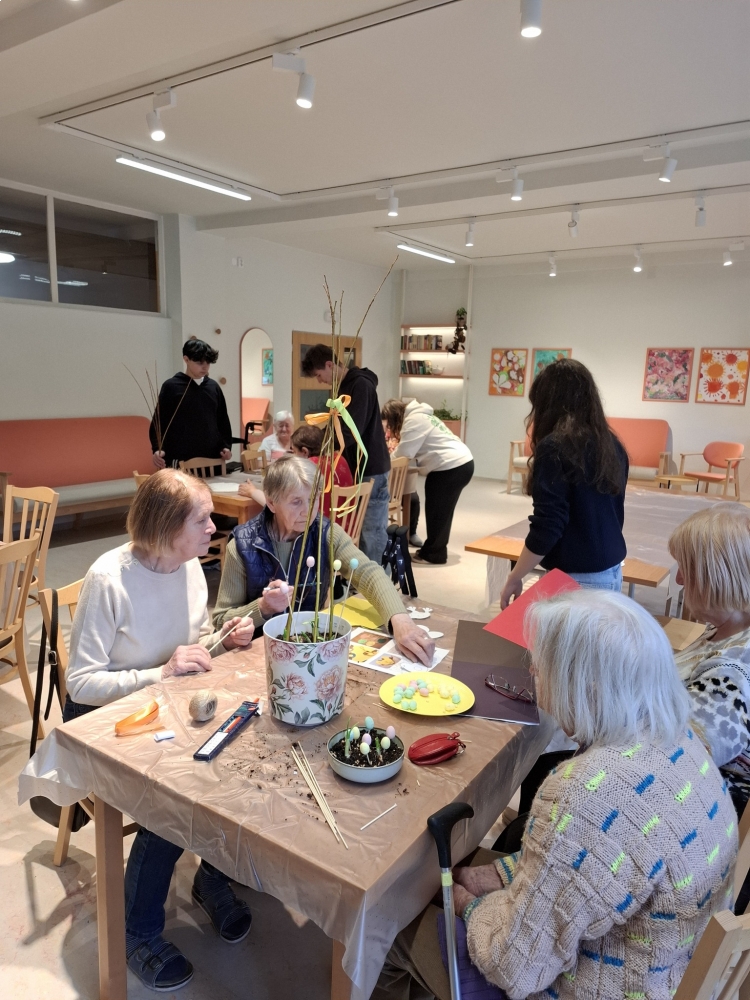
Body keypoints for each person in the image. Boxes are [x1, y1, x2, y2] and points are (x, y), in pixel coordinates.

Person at [373, 590, 737, 1000]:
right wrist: (494, 875)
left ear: (587, 687)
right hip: (666, 969)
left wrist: (464, 902)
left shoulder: (587, 793)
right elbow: (587, 868)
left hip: (596, 985)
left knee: (386, 922)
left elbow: (510, 965)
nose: (532, 671)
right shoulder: (681, 740)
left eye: (543, 665)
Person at [65, 470, 255, 992]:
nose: (213, 527)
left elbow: (189, 644)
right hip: (105, 718)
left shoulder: (189, 565)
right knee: (175, 798)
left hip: (163, 703)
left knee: (238, 754)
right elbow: (80, 683)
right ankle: (137, 930)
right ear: (169, 528)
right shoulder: (109, 578)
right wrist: (161, 673)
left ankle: (211, 876)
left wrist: (221, 641)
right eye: (202, 519)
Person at [214, 455, 435, 666]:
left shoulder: (324, 532)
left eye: (314, 499)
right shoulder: (243, 545)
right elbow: (221, 620)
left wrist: (401, 621)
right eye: (296, 502)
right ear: (271, 503)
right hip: (256, 652)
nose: (308, 511)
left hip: (310, 646)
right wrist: (263, 607)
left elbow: (368, 573)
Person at [500, 358, 628, 608]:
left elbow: (548, 524)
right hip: (610, 571)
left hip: (577, 579)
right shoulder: (611, 444)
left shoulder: (555, 447)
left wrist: (516, 576)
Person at [669, 503, 750, 814]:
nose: (679, 580)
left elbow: (673, 762)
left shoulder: (731, 676)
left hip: (693, 810)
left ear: (716, 577)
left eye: (685, 569)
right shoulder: (727, 629)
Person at [301, 344, 391, 561]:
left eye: (319, 375)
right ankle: (362, 574)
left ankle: (376, 577)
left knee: (371, 531)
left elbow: (349, 432)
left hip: (371, 467)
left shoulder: (360, 386)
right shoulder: (344, 387)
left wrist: (320, 446)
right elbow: (338, 427)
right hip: (356, 467)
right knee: (360, 528)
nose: (319, 381)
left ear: (329, 365)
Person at [381, 399, 473, 564]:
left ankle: (434, 554)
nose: (390, 429)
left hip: (450, 466)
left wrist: (382, 462)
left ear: (394, 417)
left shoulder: (414, 421)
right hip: (460, 462)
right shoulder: (422, 416)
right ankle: (435, 550)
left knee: (437, 511)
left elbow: (403, 453)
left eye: (390, 425)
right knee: (442, 511)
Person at [150, 338, 233, 471]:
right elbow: (159, 422)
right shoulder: (172, 387)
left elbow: (223, 421)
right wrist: (157, 448)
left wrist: (226, 446)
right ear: (186, 359)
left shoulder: (213, 387)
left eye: (208, 362)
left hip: (211, 460)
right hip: (181, 460)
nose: (205, 367)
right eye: (199, 362)